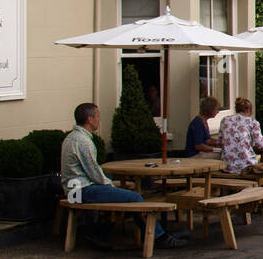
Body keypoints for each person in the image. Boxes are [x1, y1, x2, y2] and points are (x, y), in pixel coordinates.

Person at [61, 103, 187, 249]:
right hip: (81, 190)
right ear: (90, 119)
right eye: (97, 117)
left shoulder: (71, 137)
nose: (99, 120)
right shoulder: (83, 141)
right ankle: (159, 237)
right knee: (134, 198)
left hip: (73, 189)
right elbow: (93, 172)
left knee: (122, 195)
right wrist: (110, 184)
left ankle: (101, 234)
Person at [219, 96, 263, 174]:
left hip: (227, 165)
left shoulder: (225, 120)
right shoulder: (252, 122)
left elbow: (220, 141)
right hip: (246, 166)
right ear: (248, 110)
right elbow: (262, 144)